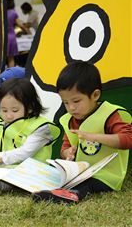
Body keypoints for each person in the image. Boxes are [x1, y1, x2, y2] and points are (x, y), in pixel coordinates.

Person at [32, 61, 132, 204]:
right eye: (65, 103)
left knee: (87, 184)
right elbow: (65, 147)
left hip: (106, 176)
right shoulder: (68, 120)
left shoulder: (110, 114)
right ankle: (53, 191)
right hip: (79, 173)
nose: (71, 108)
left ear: (95, 95)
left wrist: (93, 136)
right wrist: (68, 153)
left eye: (76, 101)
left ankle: (71, 195)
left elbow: (128, 139)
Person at [6, 0, 29, 67]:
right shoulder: (13, 13)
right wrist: (27, 31)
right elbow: (20, 25)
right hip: (11, 37)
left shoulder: (1, 12)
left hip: (3, 37)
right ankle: (11, 76)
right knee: (11, 58)